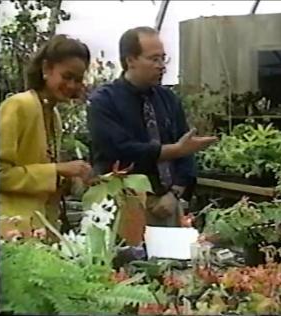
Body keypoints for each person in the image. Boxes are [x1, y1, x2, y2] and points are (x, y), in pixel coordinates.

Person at [88, 27, 217, 232]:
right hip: (124, 204)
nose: (161, 66)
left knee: (173, 262)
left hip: (167, 204)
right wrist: (174, 150)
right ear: (130, 60)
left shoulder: (168, 99)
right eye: (154, 59)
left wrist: (175, 193)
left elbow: (186, 151)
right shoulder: (104, 101)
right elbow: (119, 151)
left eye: (163, 59)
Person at [0, 34, 93, 239]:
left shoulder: (53, 115)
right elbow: (2, 175)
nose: (72, 86)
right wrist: (57, 170)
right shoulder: (18, 106)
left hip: (40, 231)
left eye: (77, 80)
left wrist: (68, 179)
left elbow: (39, 172)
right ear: (45, 69)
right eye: (67, 76)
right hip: (11, 230)